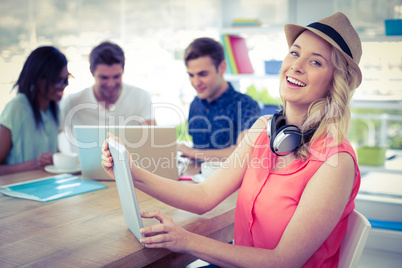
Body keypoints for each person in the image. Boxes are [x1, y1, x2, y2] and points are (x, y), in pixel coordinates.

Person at [101, 12, 362, 267]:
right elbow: (203, 196)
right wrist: (130, 172)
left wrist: (187, 241)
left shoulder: (335, 163)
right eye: (294, 53)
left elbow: (284, 261)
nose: (296, 66)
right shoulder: (263, 129)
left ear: (335, 82)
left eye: (315, 62)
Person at [59, 41, 155, 153]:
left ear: (123, 70)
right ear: (92, 71)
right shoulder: (72, 102)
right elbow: (54, 136)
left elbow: (153, 139)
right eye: (104, 77)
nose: (111, 84)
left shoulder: (141, 97)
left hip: (131, 169)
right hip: (84, 170)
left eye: (116, 76)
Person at [177, 37, 261, 162]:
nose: (195, 82)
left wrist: (192, 152)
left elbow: (245, 152)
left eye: (203, 74)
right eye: (191, 75)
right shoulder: (195, 104)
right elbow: (198, 150)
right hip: (195, 178)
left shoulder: (246, 105)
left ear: (222, 68)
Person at [0, 46, 69, 175]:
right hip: (18, 189)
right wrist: (34, 164)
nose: (63, 86)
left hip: (46, 186)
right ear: (38, 78)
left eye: (65, 80)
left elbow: (51, 153)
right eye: (57, 80)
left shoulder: (54, 109)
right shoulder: (18, 107)